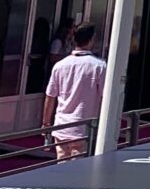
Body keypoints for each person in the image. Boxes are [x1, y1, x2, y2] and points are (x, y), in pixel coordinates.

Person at [42, 22, 105, 159]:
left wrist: (46, 123)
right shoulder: (99, 66)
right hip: (83, 126)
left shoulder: (60, 65)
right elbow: (104, 97)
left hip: (61, 125)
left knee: (62, 163)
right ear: (91, 40)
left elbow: (50, 96)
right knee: (79, 166)